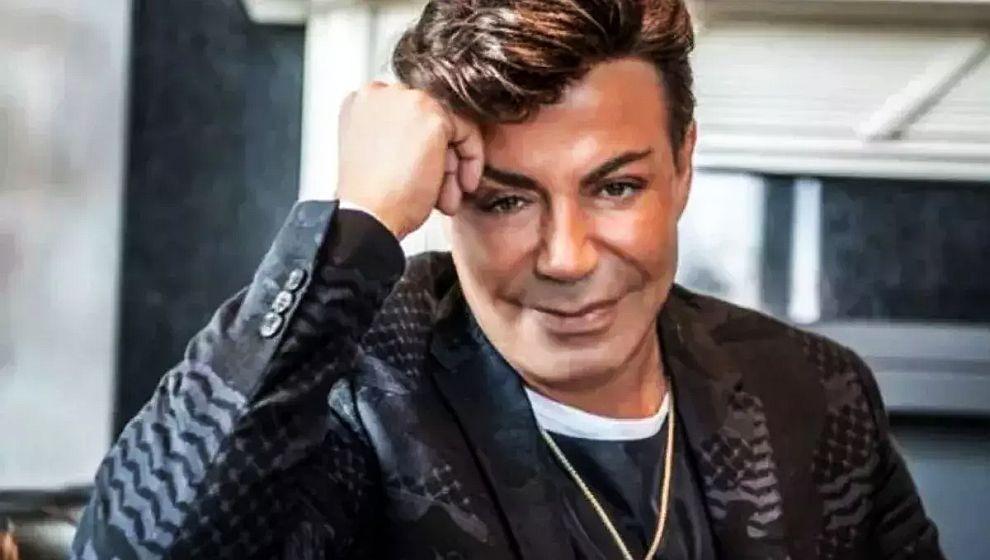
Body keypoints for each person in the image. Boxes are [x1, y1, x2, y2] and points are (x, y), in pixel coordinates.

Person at [70, 0, 943, 558]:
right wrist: (357, 220)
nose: (567, 256)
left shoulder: (816, 393)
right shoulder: (360, 390)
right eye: (506, 200)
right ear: (445, 197)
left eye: (615, 187)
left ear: (683, 166)